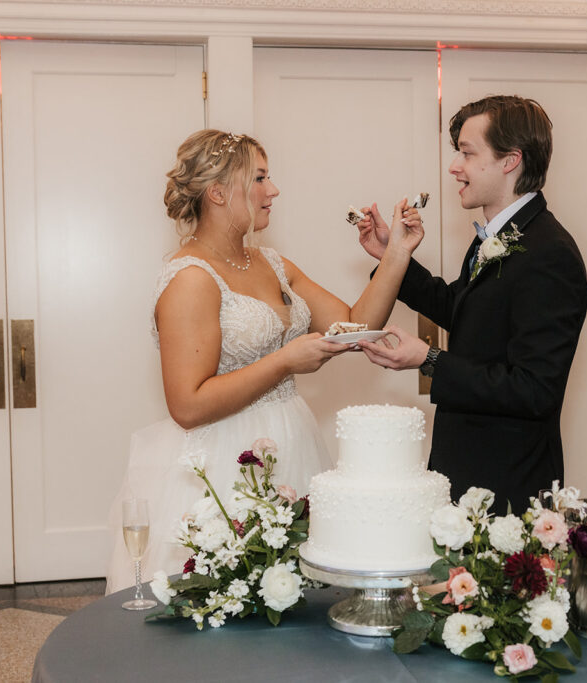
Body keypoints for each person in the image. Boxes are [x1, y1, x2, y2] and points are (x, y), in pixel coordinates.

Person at [105, 129, 422, 593]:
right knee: (231, 593)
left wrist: (397, 253)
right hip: (222, 459)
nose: (272, 190)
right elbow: (187, 405)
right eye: (259, 178)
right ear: (217, 192)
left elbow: (356, 324)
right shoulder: (191, 279)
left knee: (298, 592)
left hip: (292, 441)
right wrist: (283, 362)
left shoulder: (273, 263)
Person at [353, 95, 587, 513]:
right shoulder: (497, 237)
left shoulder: (550, 253)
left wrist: (429, 359)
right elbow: (461, 309)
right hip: (467, 462)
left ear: (510, 160)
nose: (454, 167)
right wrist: (395, 257)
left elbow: (535, 390)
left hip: (506, 481)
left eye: (466, 153)